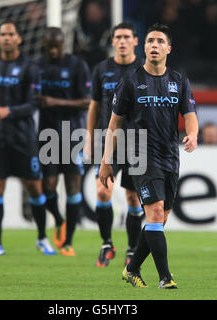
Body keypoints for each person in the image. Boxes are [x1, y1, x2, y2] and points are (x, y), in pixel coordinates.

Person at [99, 23, 199, 289]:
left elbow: (190, 117)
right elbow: (113, 126)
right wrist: (106, 162)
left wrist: (193, 134)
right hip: (140, 155)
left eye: (159, 41)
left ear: (168, 48)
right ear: (144, 47)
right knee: (154, 213)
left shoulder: (179, 81)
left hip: (169, 156)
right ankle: (165, 277)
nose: (153, 45)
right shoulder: (130, 82)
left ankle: (131, 270)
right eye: (149, 41)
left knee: (161, 219)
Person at [0, 21, 56, 256]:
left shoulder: (29, 68)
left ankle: (42, 238)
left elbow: (34, 103)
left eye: (11, 34)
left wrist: (8, 111)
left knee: (34, 188)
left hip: (24, 137)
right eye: (2, 34)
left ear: (19, 38)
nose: (6, 38)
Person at [85, 22, 144, 267]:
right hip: (108, 140)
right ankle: (107, 243)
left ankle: (132, 249)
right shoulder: (102, 69)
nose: (122, 41)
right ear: (112, 42)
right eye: (117, 37)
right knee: (102, 191)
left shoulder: (144, 69)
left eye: (126, 37)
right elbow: (94, 105)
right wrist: (89, 137)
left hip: (137, 141)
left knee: (132, 197)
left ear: (135, 41)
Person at [36, 27, 91, 256]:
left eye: (57, 45)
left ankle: (67, 241)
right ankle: (59, 219)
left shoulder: (77, 65)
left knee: (72, 186)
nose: (54, 50)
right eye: (50, 46)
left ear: (63, 43)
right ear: (44, 44)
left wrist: (54, 102)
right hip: (47, 134)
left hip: (72, 133)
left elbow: (87, 102)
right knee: (47, 187)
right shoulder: (37, 66)